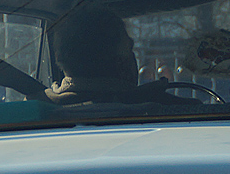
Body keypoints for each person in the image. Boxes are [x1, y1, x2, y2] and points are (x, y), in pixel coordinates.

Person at [44, 6, 194, 105]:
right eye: (129, 49)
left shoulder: (38, 112)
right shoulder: (179, 111)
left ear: (58, 57)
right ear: (121, 61)